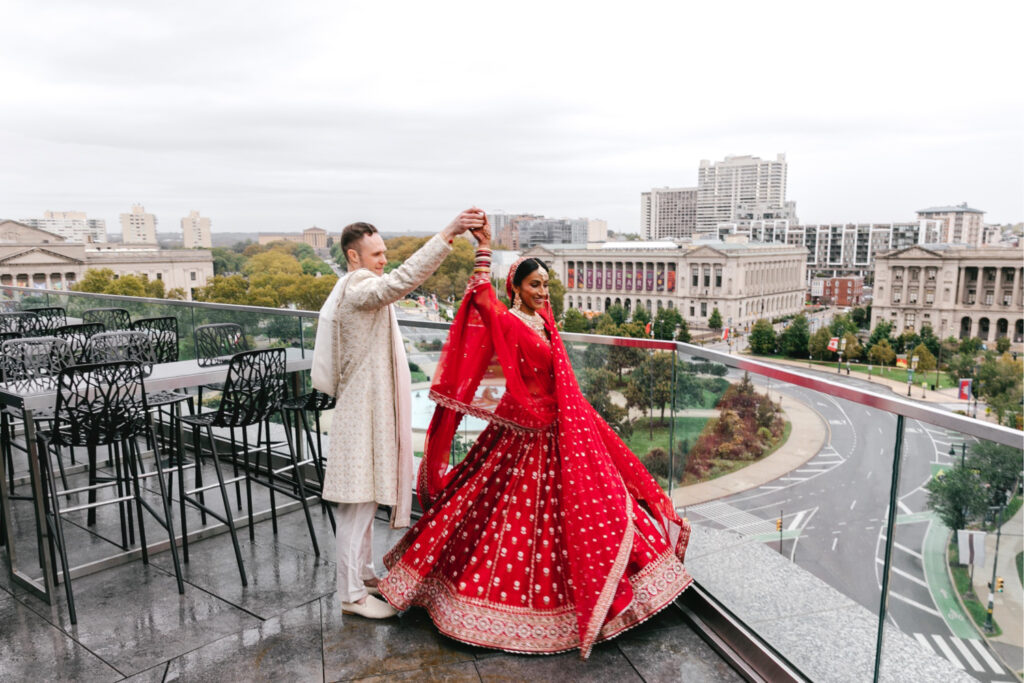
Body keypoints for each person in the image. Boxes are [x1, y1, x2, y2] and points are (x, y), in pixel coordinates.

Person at [379, 217, 692, 657]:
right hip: (524, 431)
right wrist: (483, 249)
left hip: (559, 428)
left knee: (587, 504)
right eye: (534, 285)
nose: (543, 292)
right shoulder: (509, 322)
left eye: (546, 284)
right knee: (500, 514)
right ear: (517, 288)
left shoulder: (547, 323)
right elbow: (481, 299)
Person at [312, 208, 486, 619]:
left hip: (364, 408)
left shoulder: (352, 285)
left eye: (385, 252)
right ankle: (350, 596)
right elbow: (403, 280)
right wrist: (449, 233)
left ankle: (365, 575)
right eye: (376, 254)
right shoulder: (359, 286)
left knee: (365, 500)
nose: (383, 259)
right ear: (354, 257)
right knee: (356, 507)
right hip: (361, 412)